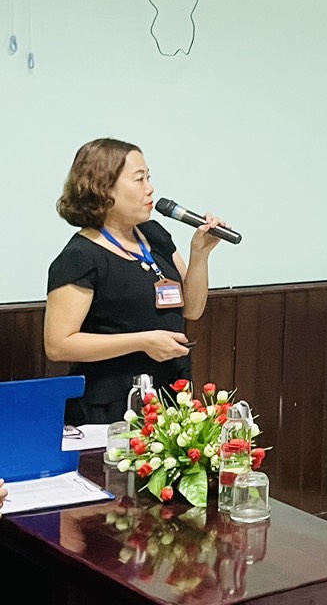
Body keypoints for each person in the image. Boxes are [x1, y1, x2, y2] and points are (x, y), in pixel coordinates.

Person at [44, 139, 228, 425]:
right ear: (104, 188)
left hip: (168, 394)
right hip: (110, 406)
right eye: (139, 179)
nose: (150, 188)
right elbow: (58, 345)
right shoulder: (80, 256)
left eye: (148, 177)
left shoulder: (153, 234)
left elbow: (192, 310)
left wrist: (200, 253)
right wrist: (143, 342)